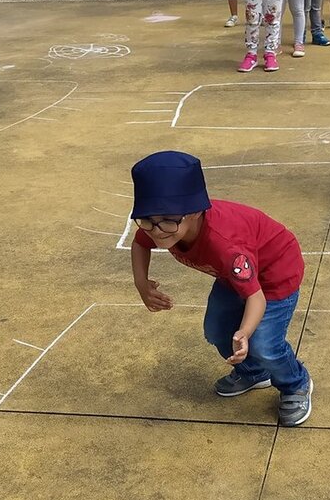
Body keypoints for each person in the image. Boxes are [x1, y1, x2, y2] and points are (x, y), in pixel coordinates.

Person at [129, 150, 313, 427]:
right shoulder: (163, 220)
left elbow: (255, 296)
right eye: (147, 220)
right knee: (216, 329)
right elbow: (140, 243)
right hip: (234, 277)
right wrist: (141, 284)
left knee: (264, 344)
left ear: (195, 212)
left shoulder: (226, 246)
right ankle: (254, 373)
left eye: (167, 220)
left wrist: (245, 332)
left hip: (274, 274)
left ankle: (296, 383)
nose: (156, 230)